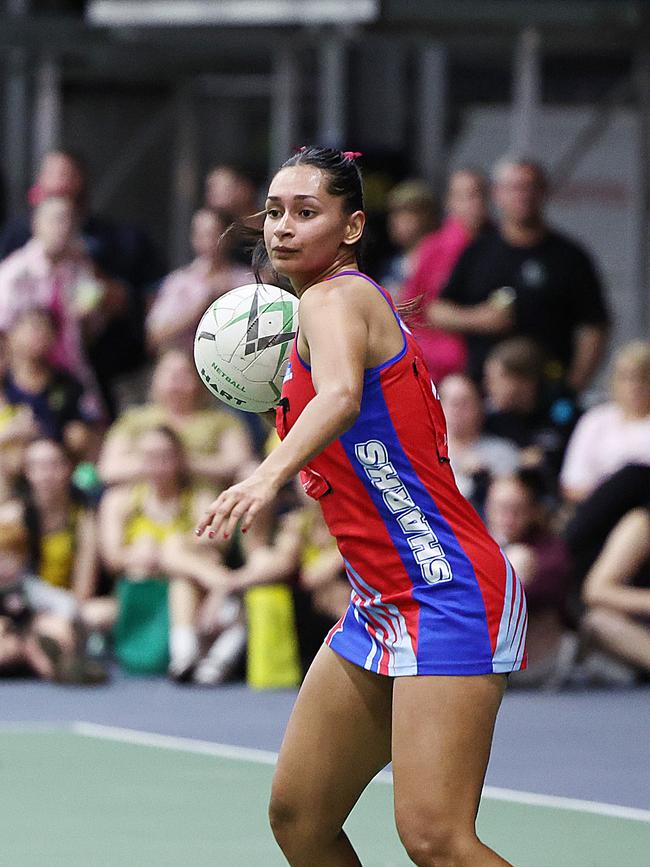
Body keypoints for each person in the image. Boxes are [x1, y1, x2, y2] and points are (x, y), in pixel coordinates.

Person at [197, 146, 526, 867]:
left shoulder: (336, 297)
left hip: (446, 586)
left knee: (437, 838)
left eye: (306, 212)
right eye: (275, 211)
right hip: (380, 597)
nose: (282, 227)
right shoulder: (307, 316)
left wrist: (264, 476)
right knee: (300, 815)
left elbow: (344, 397)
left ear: (351, 228)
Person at [429, 157, 610, 389]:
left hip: (547, 389)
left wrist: (574, 385)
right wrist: (479, 318)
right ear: (497, 194)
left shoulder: (569, 256)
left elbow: (595, 325)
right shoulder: (478, 251)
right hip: (483, 392)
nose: (523, 195)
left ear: (544, 192)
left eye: (530, 187)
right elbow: (437, 311)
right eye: (515, 188)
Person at [97, 349, 254, 489]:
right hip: (145, 497)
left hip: (205, 493)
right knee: (114, 501)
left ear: (199, 380)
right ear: (154, 378)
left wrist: (183, 463)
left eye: (183, 374)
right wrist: (156, 463)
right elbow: (108, 469)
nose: (175, 380)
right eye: (168, 373)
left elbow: (240, 463)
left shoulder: (221, 421)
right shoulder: (133, 420)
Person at [402, 168, 490, 384]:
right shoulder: (433, 249)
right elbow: (411, 311)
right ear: (450, 202)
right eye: (463, 196)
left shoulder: (500, 245)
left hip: (490, 366)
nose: (473, 204)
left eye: (477, 195)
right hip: (440, 368)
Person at [484, 472, 573, 688]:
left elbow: (549, 593)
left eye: (517, 509)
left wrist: (510, 573)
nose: (508, 517)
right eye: (501, 508)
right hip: (486, 660)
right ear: (487, 508)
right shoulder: (471, 546)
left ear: (533, 512)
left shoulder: (550, 550)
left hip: (539, 659)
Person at [146, 207, 250, 356]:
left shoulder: (247, 281)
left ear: (228, 237)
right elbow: (154, 337)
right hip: (185, 363)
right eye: (200, 234)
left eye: (213, 234)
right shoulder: (179, 282)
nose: (206, 241)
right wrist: (198, 309)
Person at [4, 307, 101, 460]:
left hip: (57, 461)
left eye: (45, 328)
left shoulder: (67, 383)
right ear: (11, 335)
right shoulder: (3, 383)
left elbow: (88, 427)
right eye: (32, 326)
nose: (39, 334)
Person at [560, 340, 650, 503]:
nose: (635, 386)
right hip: (600, 506)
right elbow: (572, 485)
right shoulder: (595, 419)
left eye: (643, 378)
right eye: (627, 378)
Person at [439, 372, 520, 511]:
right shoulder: (422, 452)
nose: (456, 410)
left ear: (479, 406)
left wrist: (485, 478)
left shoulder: (503, 452)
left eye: (464, 403)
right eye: (451, 402)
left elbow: (512, 504)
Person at [379, 179, 437, 304]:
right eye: (393, 213)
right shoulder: (392, 264)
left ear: (426, 216)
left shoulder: (439, 257)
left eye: (405, 212)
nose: (395, 220)